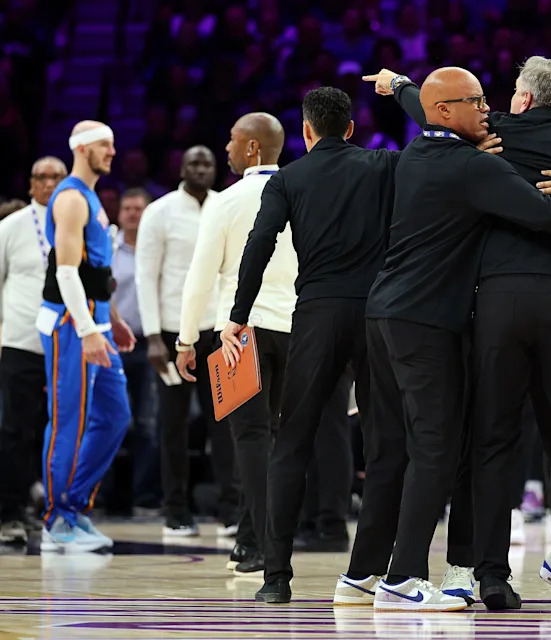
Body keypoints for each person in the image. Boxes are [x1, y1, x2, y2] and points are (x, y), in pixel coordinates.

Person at [366, 57, 551, 613]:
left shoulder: (489, 132)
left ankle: (492, 575)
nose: (488, 105)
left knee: (494, 438)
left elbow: (431, 107)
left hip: (496, 303)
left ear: (522, 100)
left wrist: (396, 86)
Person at [221, 88, 400, 605]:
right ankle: (366, 573)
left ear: (305, 131)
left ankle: (276, 578)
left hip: (316, 316)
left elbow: (259, 244)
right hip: (375, 313)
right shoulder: (382, 165)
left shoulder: (289, 178)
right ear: (350, 128)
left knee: (292, 440)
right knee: (385, 442)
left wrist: (238, 315)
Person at [175, 113, 291, 576]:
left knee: (250, 439)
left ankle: (265, 547)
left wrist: (186, 339)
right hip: (297, 330)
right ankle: (247, 539)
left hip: (241, 334)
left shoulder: (225, 202)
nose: (225, 147)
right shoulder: (303, 192)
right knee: (274, 440)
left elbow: (200, 279)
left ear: (251, 150)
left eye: (231, 139)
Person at [35, 121, 135, 552]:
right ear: (81, 148)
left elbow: (96, 273)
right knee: (69, 421)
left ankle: (75, 507)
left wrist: (111, 318)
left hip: (94, 320)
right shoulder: (73, 198)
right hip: (70, 323)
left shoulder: (92, 198)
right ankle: (57, 520)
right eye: (104, 145)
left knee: (115, 415)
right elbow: (66, 272)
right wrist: (88, 328)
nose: (112, 151)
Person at [136, 145, 240, 537]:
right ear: (181, 167)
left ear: (216, 169)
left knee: (224, 423)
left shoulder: (225, 205)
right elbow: (146, 276)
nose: (200, 168)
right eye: (193, 162)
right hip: (169, 331)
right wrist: (152, 338)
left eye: (207, 163)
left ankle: (231, 508)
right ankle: (174, 510)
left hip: (217, 330)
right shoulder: (159, 211)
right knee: (173, 425)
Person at [0, 156, 67, 542]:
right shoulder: (11, 227)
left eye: (56, 176)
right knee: (15, 429)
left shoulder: (76, 221)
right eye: (40, 177)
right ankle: (9, 510)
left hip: (66, 345)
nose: (48, 183)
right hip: (21, 342)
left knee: (57, 431)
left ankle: (43, 508)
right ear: (30, 185)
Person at [112, 188, 162, 515]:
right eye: (127, 208)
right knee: (111, 421)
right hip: (112, 345)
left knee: (147, 423)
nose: (132, 213)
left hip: (148, 344)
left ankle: (145, 498)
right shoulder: (105, 246)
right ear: (119, 213)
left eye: (138, 208)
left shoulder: (155, 248)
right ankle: (107, 499)